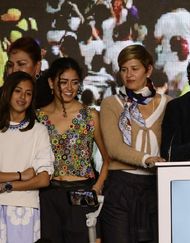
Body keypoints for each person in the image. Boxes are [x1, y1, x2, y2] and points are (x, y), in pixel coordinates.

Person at [99, 44, 170, 243]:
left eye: (134, 68)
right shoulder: (111, 103)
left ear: (148, 70)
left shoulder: (168, 103)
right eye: (124, 69)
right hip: (120, 187)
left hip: (155, 188)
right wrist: (148, 159)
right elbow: (113, 148)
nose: (129, 74)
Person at [36, 57, 110, 242]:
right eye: (63, 82)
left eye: (75, 82)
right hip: (49, 194)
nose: (69, 88)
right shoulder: (39, 117)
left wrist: (97, 188)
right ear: (51, 83)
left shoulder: (90, 115)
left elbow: (108, 159)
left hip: (82, 191)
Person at [0, 71, 54, 243]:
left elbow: (44, 179)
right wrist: (21, 175)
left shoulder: (39, 131)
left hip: (24, 209)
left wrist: (7, 186)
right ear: (8, 92)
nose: (22, 97)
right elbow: (34, 177)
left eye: (28, 93)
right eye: (18, 91)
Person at [4, 36, 52, 108]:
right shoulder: (2, 93)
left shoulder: (49, 98)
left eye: (21, 64)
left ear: (37, 67)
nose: (14, 70)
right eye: (10, 65)